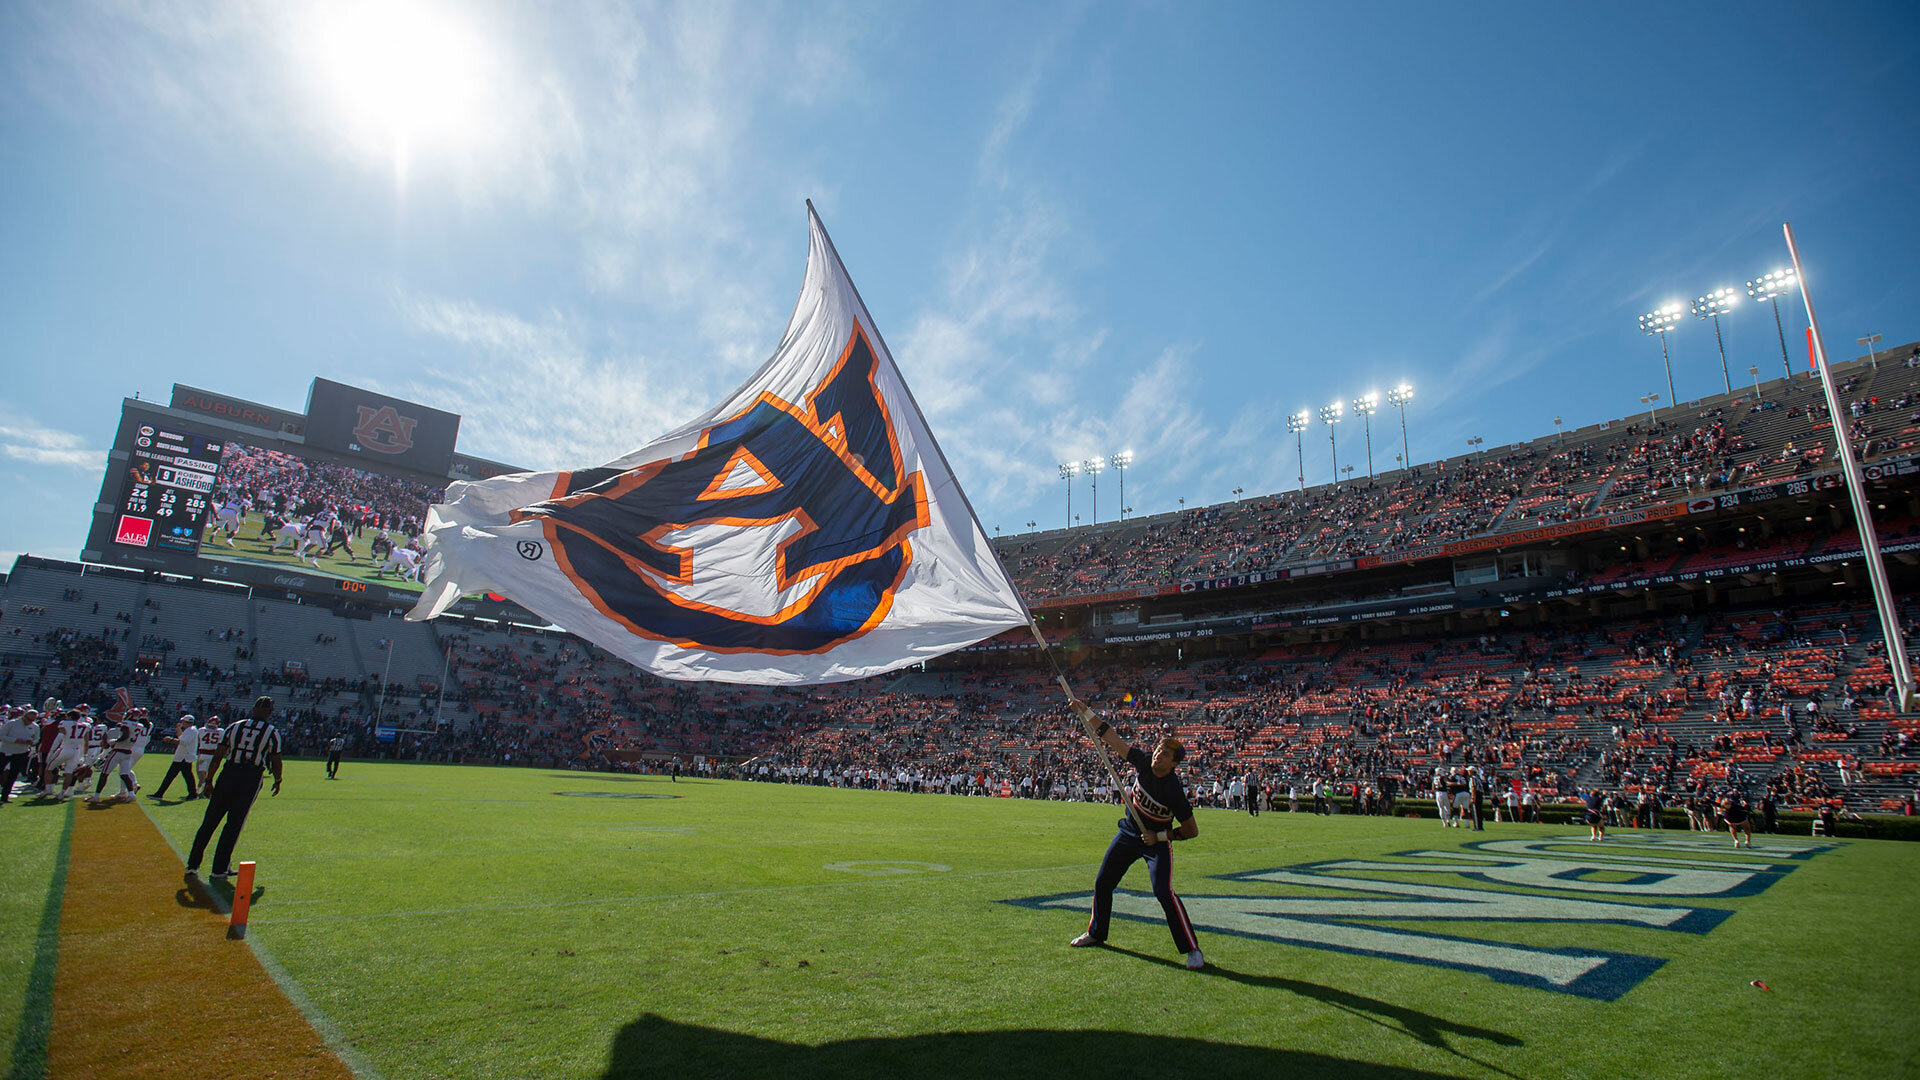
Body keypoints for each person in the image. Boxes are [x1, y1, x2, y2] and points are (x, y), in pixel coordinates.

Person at [1067, 703, 1204, 971]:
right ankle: (1096, 932)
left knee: (1163, 891)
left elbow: (1191, 830)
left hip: (1157, 843)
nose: (1158, 756)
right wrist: (1086, 711)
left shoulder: (1174, 792)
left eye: (1165, 755)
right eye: (1158, 750)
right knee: (1104, 881)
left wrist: (1160, 837)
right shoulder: (1142, 761)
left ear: (1174, 764)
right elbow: (1112, 737)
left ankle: (1192, 949)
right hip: (1130, 832)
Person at [186, 697, 283, 883]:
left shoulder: (234, 726)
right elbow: (276, 760)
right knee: (234, 824)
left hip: (229, 773)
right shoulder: (271, 732)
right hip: (250, 777)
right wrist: (278, 779)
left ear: (253, 709)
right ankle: (219, 869)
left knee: (210, 820)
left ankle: (193, 863)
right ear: (270, 713)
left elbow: (218, 755)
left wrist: (209, 780)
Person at [152, 714, 201, 800]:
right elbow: (181, 737)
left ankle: (159, 793)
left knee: (173, 776)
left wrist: (170, 739)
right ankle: (192, 794)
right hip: (183, 757)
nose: (182, 723)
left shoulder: (191, 730)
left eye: (183, 721)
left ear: (186, 722)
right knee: (185, 776)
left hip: (184, 757)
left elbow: (183, 742)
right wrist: (178, 728)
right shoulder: (190, 730)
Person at [0, 708, 38, 803]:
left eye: (33, 720)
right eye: (29, 719)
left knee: (13, 775)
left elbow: (37, 738)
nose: (30, 722)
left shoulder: (35, 726)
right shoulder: (12, 723)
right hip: (6, 750)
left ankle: (5, 796)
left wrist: (32, 742)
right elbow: (2, 736)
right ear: (24, 716)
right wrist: (15, 740)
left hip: (21, 752)